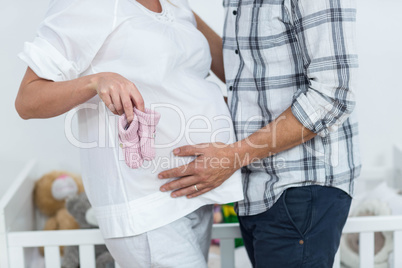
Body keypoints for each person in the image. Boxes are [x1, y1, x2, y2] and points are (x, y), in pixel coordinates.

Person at [15, 0, 244, 267]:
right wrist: (96, 81)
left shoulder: (175, 4)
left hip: (196, 193)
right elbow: (27, 100)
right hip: (146, 203)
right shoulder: (86, 5)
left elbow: (233, 71)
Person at [158, 0, 361, 267]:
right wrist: (170, 9)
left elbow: (333, 96)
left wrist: (233, 156)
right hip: (258, 187)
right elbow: (244, 71)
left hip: (300, 186)